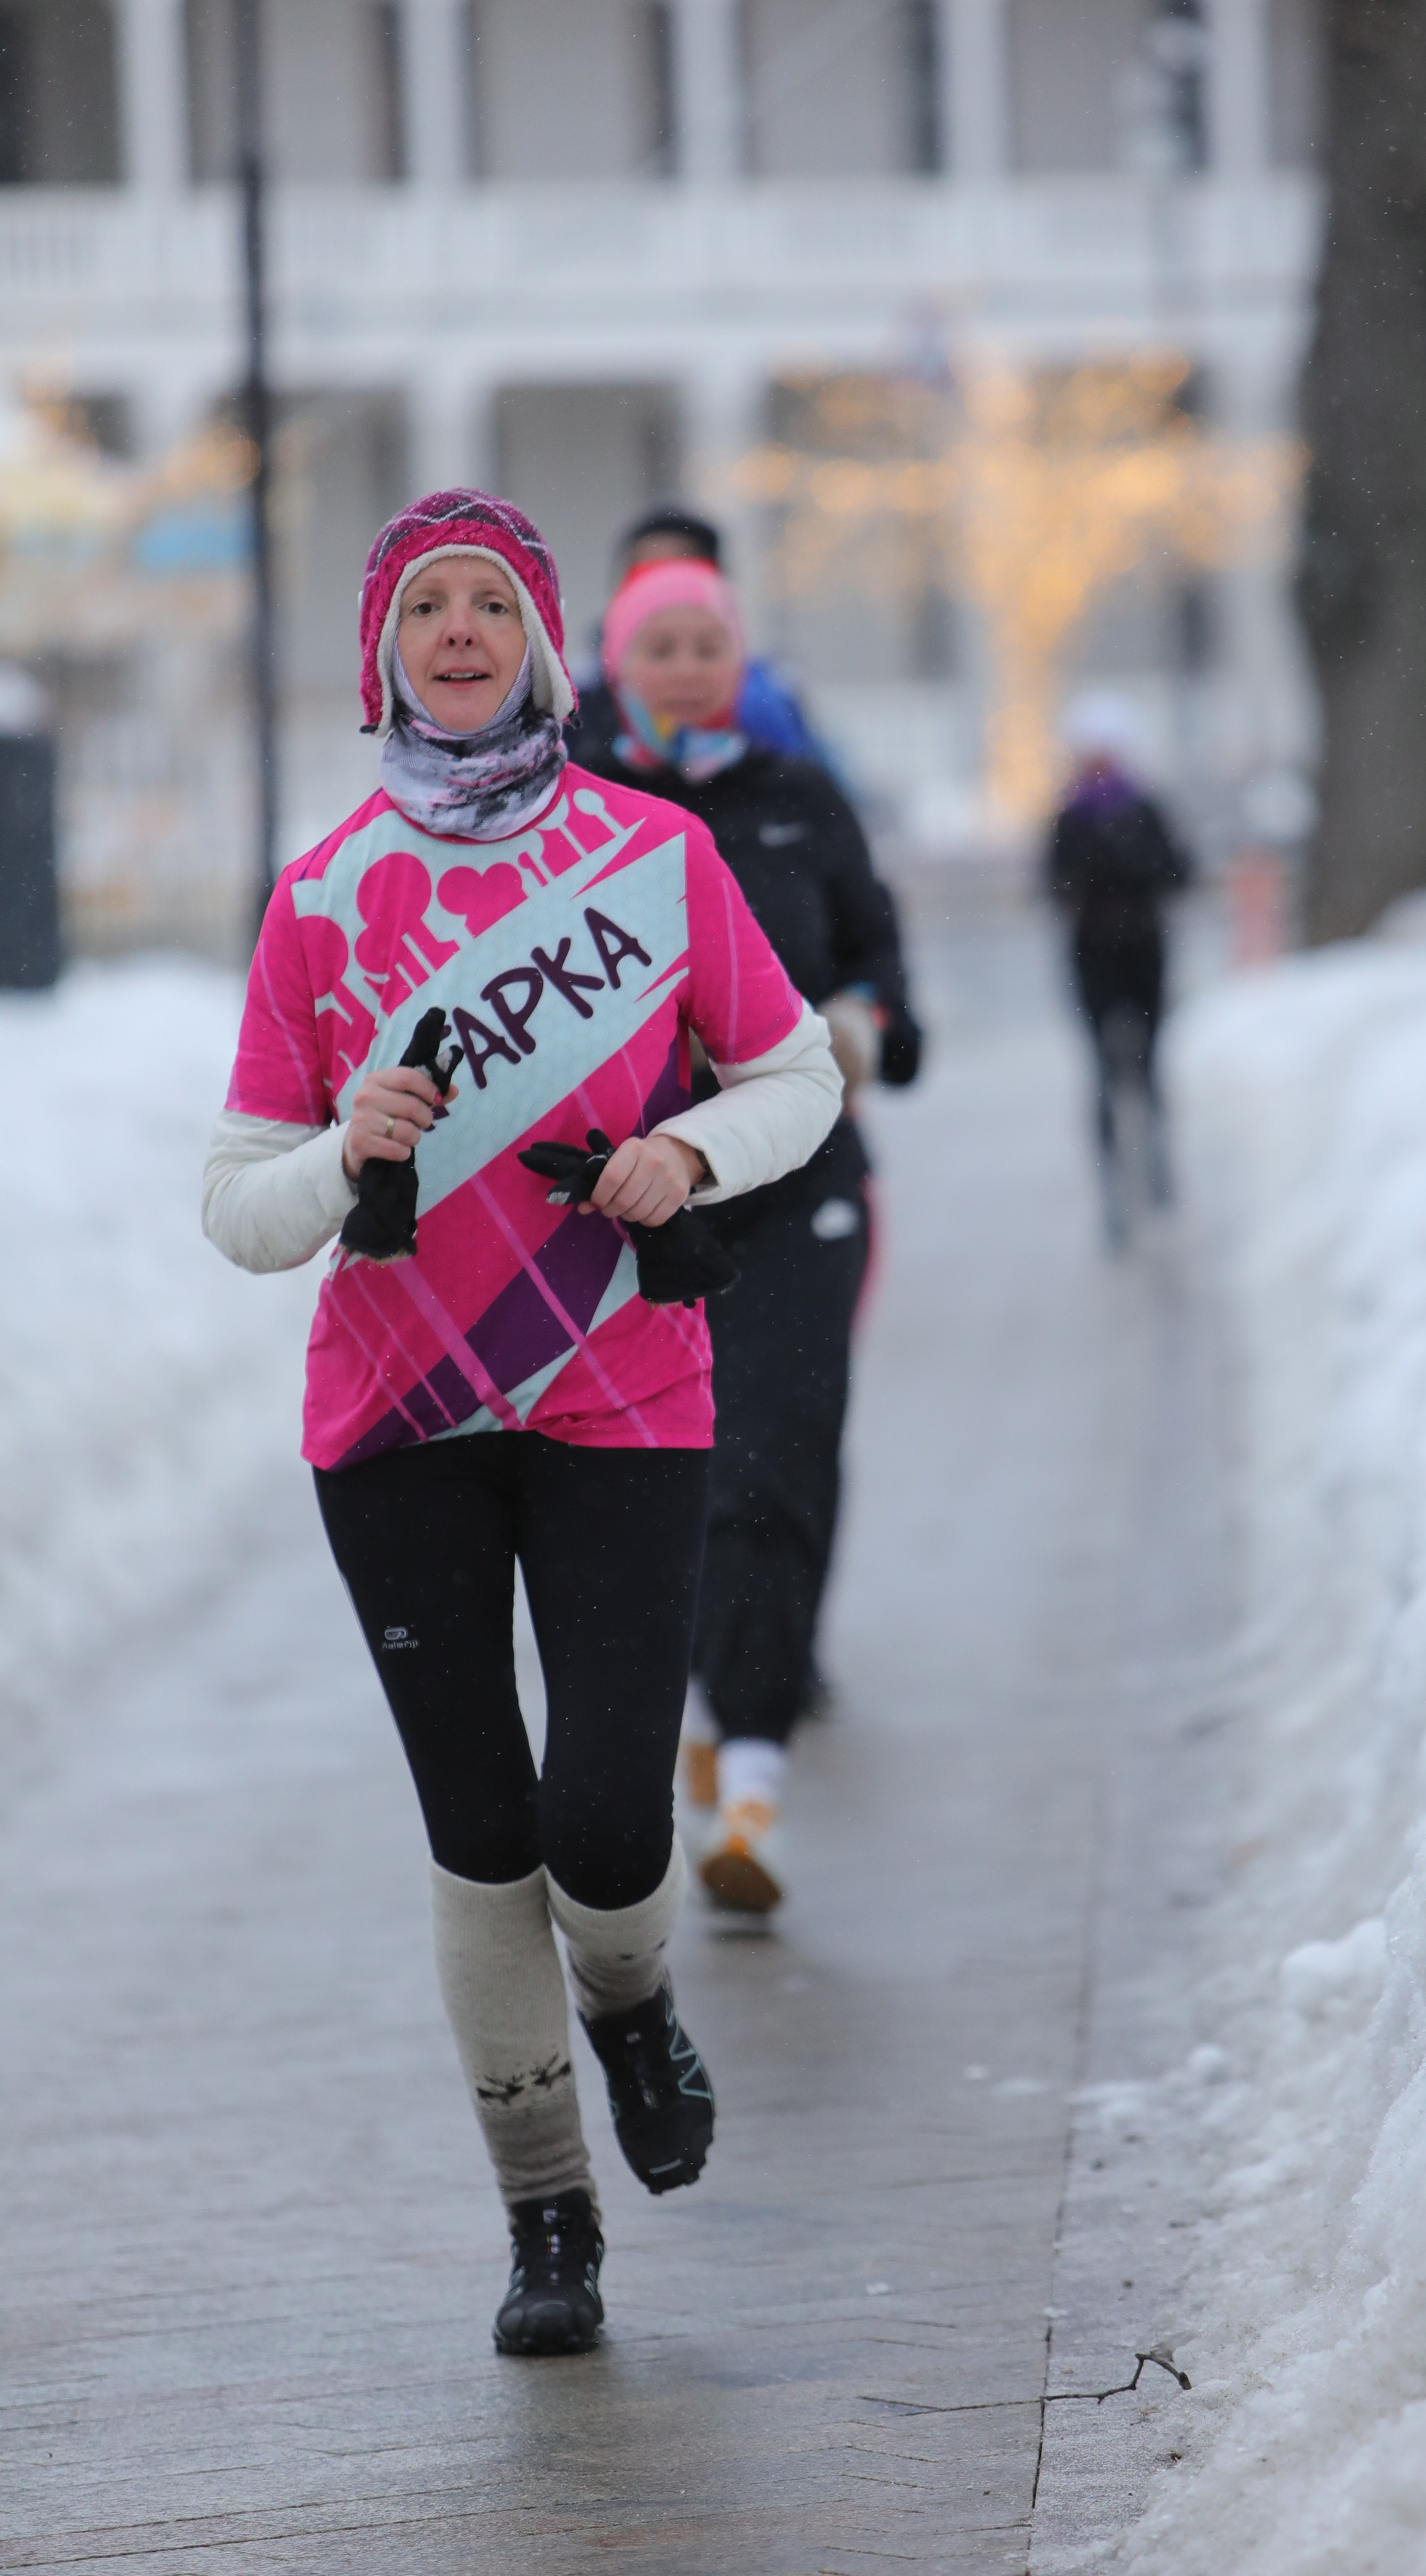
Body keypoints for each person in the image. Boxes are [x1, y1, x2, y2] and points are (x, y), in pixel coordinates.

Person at [201, 489, 843, 2358]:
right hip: (395, 1418)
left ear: (543, 650)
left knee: (601, 1808)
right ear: (383, 653)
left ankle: (631, 1995)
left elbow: (792, 1066)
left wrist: (685, 1146)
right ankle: (546, 2217)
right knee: (483, 1830)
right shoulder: (321, 894)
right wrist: (347, 1150)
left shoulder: (655, 857)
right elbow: (242, 1205)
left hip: (618, 1386)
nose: (460, 633)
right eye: (426, 610)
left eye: (492, 606)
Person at [567, 549, 922, 1919]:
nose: (686, 668)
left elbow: (887, 967)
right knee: (682, 1490)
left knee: (780, 1468)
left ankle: (756, 1784)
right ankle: (704, 1710)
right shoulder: (585, 814)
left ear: (741, 661)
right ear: (617, 666)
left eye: (707, 645)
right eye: (658, 647)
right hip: (637, 1205)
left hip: (804, 1185)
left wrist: (860, 1028)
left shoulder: (798, 797)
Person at [1044, 692, 1194, 1247]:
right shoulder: (1068, 819)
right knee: (1102, 1073)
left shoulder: (1145, 809)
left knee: (1151, 1063)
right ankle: (1112, 1189)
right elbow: (1053, 886)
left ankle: (1157, 1163)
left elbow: (1178, 872)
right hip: (1094, 957)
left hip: (1143, 951)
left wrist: (1135, 866)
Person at [573, 504, 830, 767]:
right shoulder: (572, 705)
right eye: (648, 575)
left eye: (685, 572)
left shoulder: (771, 699)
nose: (686, 672)